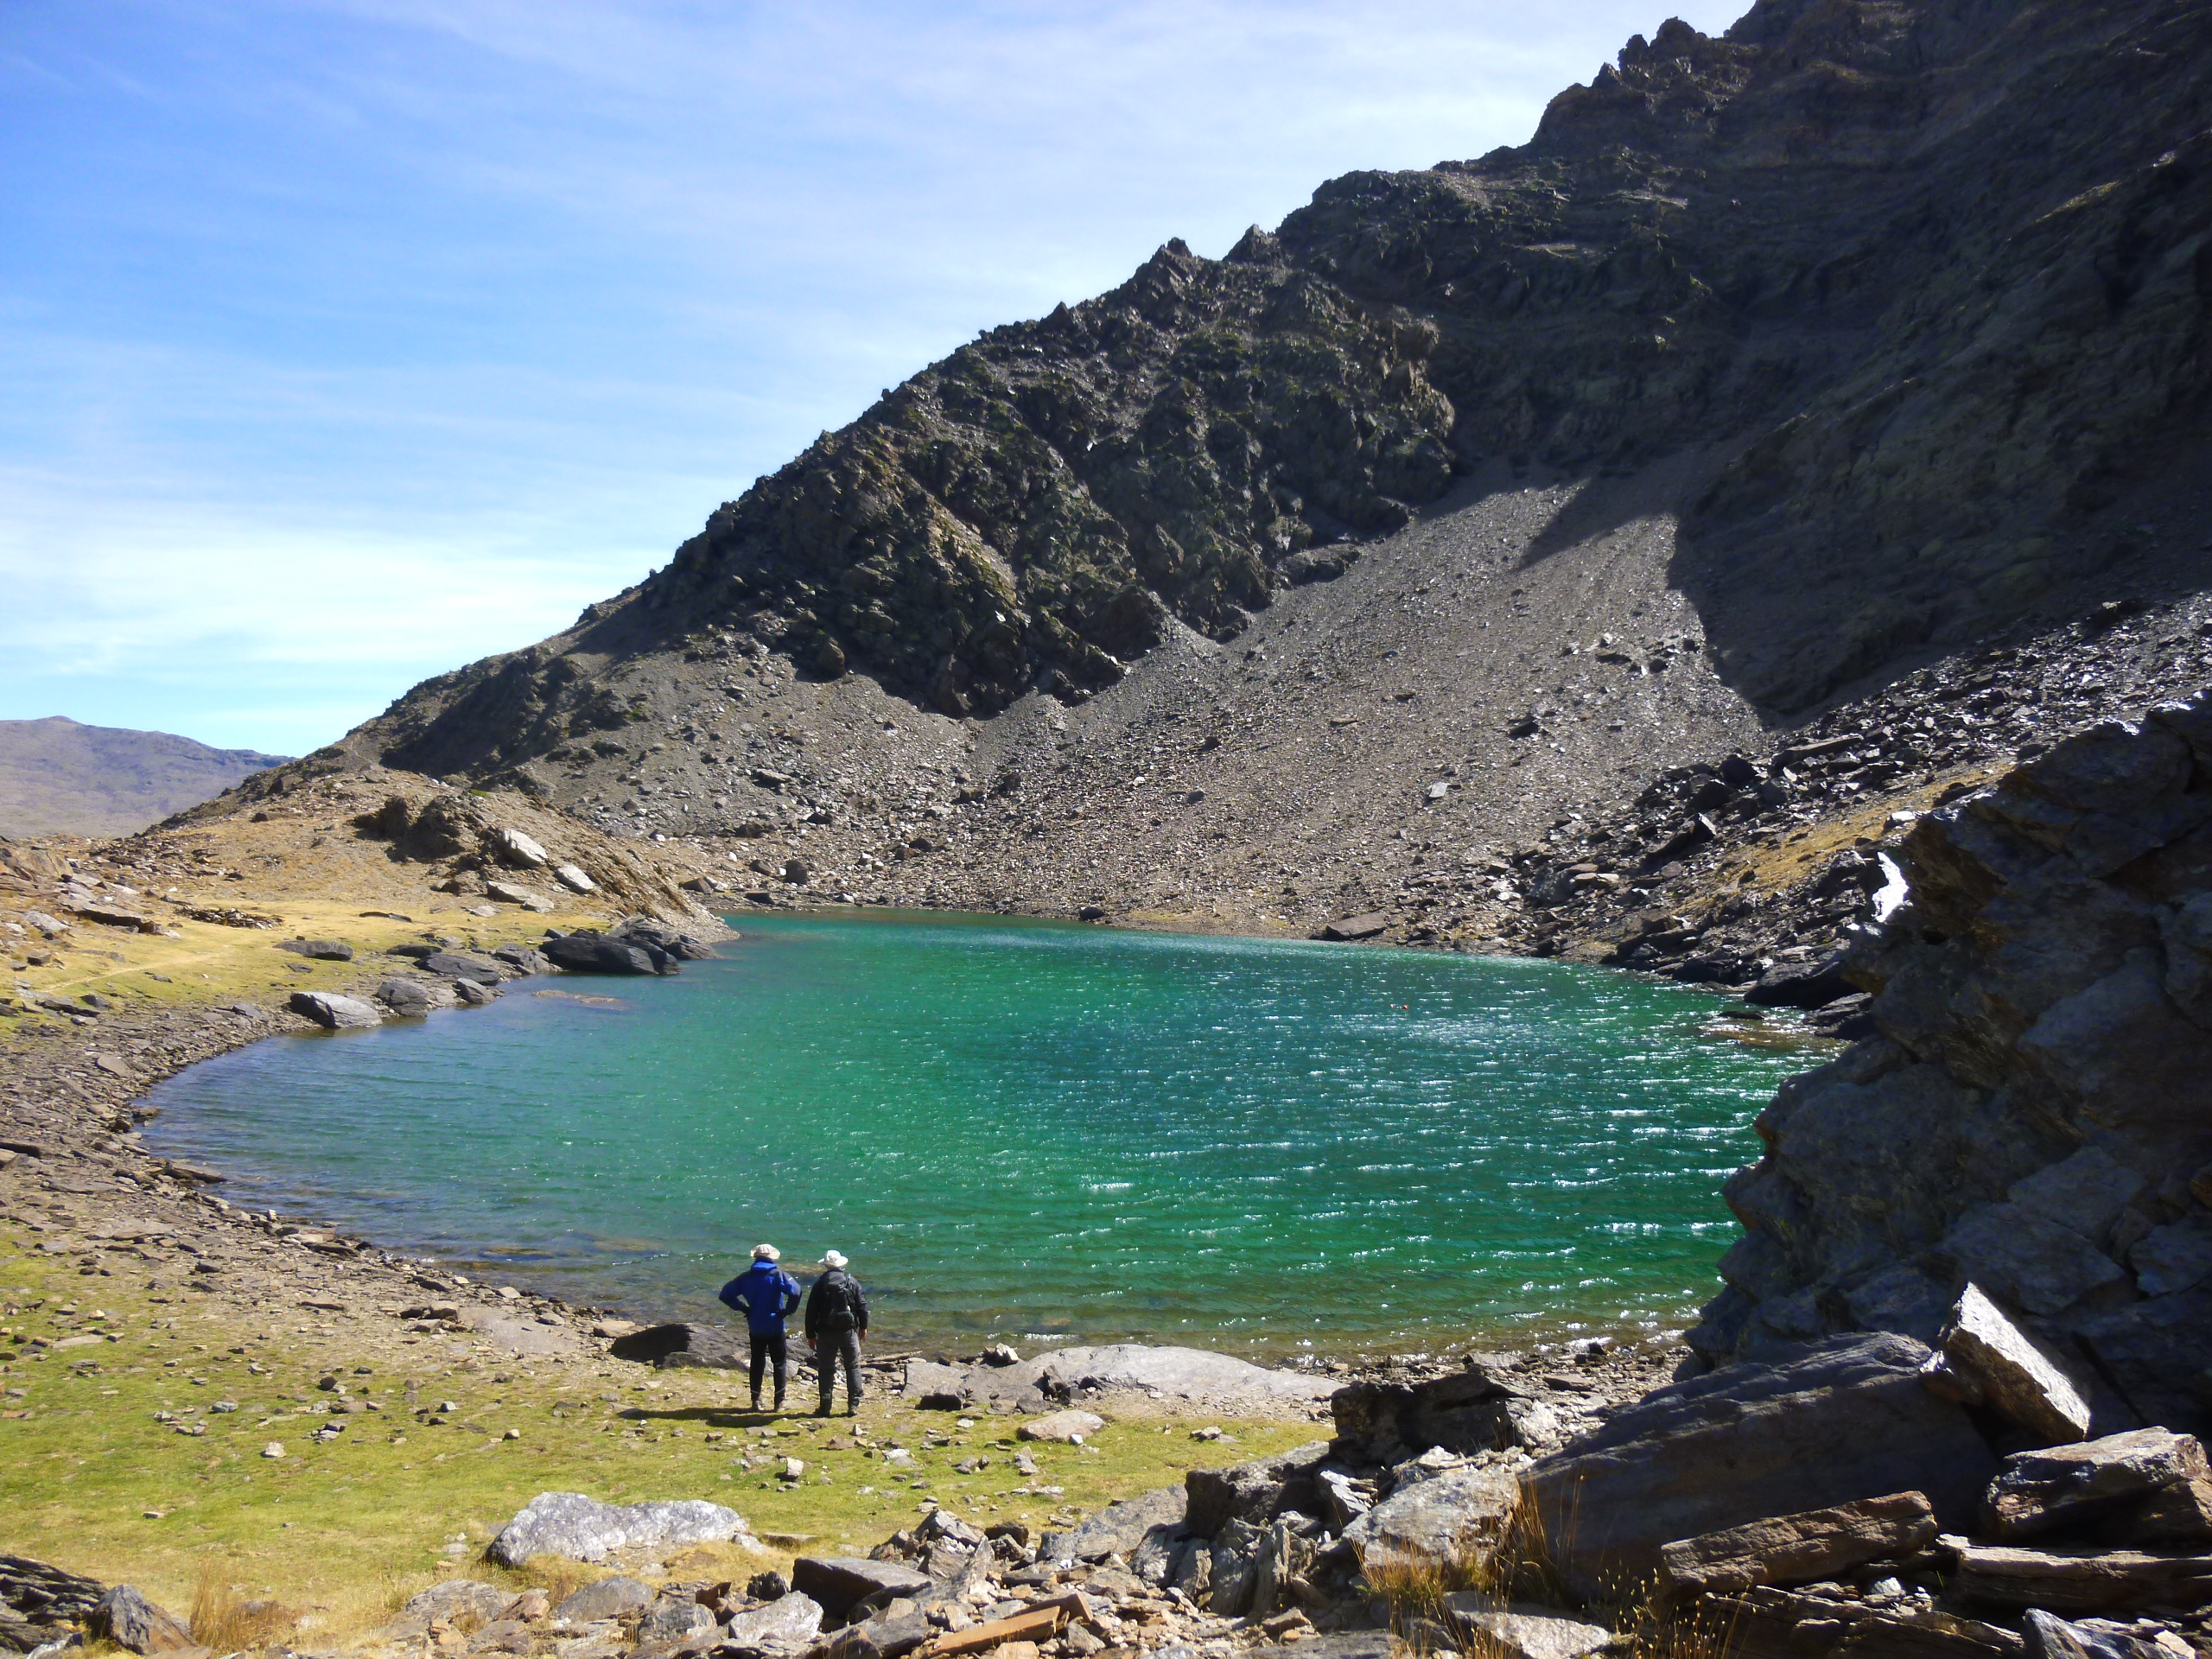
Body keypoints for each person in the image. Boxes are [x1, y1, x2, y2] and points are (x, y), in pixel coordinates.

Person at [719, 1243, 802, 1413]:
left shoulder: (745, 1277)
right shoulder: (778, 1275)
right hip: (775, 1324)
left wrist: (743, 1308)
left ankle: (755, 1399)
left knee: (757, 1362)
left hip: (756, 1325)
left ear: (755, 1258)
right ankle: (779, 1401)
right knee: (779, 1363)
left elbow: (725, 1294)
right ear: (771, 1258)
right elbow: (796, 1291)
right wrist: (788, 1311)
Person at [804, 1249, 868, 1416]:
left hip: (826, 1332)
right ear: (840, 1265)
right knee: (853, 1366)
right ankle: (853, 1405)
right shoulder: (851, 1281)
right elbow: (862, 1306)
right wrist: (863, 1327)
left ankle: (825, 1407)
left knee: (826, 1369)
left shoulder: (820, 1284)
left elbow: (811, 1311)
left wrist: (810, 1335)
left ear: (826, 1265)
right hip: (848, 1330)